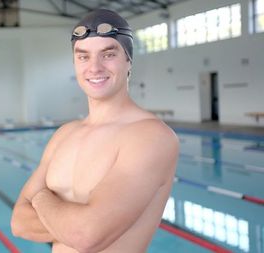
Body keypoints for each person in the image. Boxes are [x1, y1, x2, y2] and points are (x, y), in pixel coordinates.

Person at [11, 9, 179, 253]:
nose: (95, 67)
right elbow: (19, 222)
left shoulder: (150, 137)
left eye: (108, 54)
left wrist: (39, 198)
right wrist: (75, 223)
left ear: (128, 60)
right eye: (83, 57)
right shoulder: (64, 134)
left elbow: (86, 236)